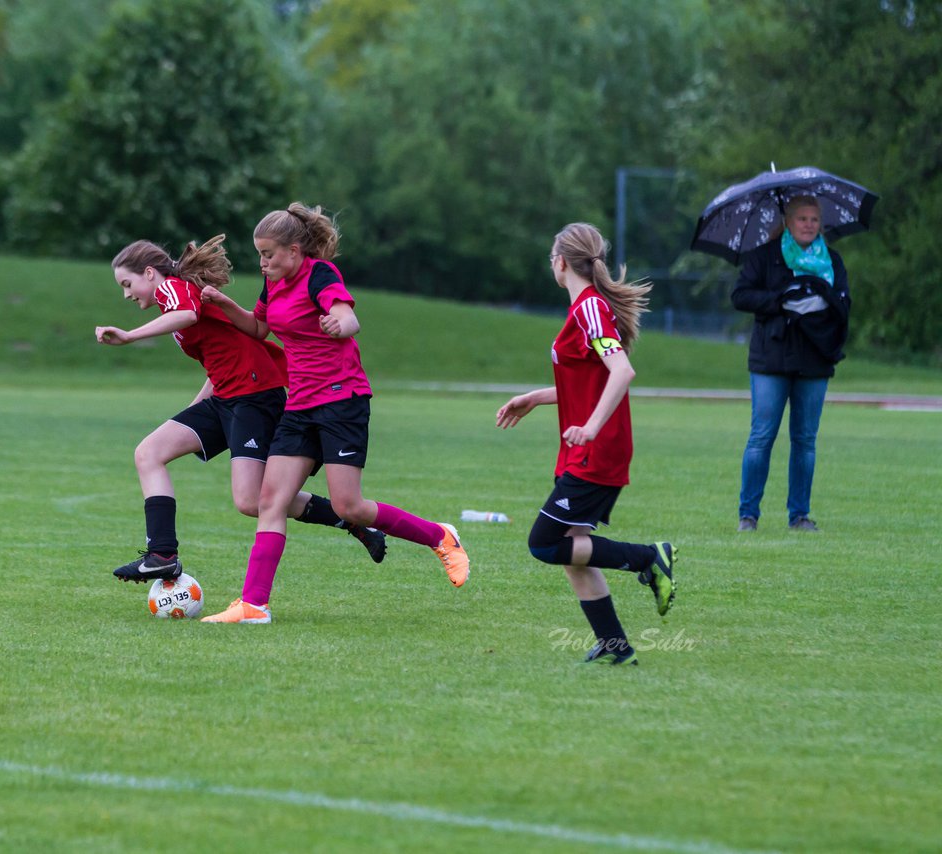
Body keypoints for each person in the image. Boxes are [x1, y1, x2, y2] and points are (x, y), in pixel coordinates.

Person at [197, 203, 469, 624]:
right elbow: (257, 328)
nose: (263, 262)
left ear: (294, 250)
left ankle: (440, 536)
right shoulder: (274, 284)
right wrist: (222, 303)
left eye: (269, 254)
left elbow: (347, 316)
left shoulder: (320, 275)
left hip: (342, 402)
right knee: (270, 500)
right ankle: (253, 605)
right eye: (259, 254)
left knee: (350, 507)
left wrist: (339, 325)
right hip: (299, 405)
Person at [96, 234, 387, 584]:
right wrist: (191, 413)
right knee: (149, 453)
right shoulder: (173, 299)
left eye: (128, 284)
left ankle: (351, 520)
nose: (127, 294)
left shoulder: (171, 290)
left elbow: (187, 315)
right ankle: (162, 555)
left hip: (254, 397)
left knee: (252, 501)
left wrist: (129, 336)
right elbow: (219, 359)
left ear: (149, 273)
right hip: (225, 397)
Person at [495, 223, 675, 666]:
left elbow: (622, 371)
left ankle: (650, 559)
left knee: (544, 543)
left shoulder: (589, 308)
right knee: (575, 548)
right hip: (580, 447)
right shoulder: (584, 309)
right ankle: (617, 646)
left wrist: (592, 427)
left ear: (560, 262)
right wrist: (537, 397)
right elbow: (588, 380)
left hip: (596, 448)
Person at [731, 195, 851, 532]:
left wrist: (821, 302)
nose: (809, 225)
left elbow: (845, 302)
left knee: (805, 440)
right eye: (802, 218)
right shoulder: (765, 257)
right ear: (788, 221)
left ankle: (799, 515)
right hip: (771, 358)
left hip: (815, 358)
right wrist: (782, 300)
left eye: (815, 219)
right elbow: (740, 296)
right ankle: (748, 515)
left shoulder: (833, 261)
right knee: (761, 437)